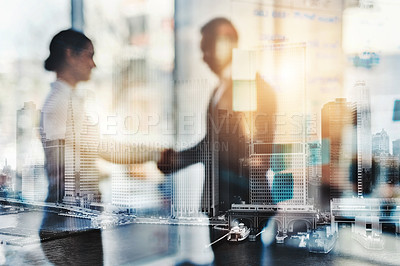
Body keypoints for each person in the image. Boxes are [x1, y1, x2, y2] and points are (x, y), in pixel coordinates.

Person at [40, 29, 161, 265]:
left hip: (73, 226)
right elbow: (106, 148)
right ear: (70, 55)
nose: (93, 64)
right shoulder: (62, 104)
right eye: (89, 55)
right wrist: (157, 153)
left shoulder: (65, 101)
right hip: (72, 228)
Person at [158, 18, 277, 213]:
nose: (203, 57)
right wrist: (178, 160)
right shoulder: (220, 89)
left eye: (206, 48)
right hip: (223, 203)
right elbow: (214, 143)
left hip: (241, 205)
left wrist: (180, 160)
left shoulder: (251, 87)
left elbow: (253, 152)